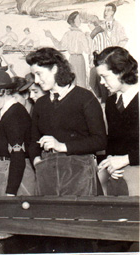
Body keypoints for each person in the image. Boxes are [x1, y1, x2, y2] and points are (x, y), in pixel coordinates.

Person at [26, 47, 107, 195]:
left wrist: (62, 146)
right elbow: (33, 141)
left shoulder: (85, 98)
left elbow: (100, 140)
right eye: (34, 75)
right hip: (47, 173)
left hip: (80, 173)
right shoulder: (40, 104)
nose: (36, 81)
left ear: (55, 69)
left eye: (39, 74)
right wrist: (37, 161)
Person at [0, 71, 35, 197]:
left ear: (2, 91)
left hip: (16, 177)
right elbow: (1, 153)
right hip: (4, 171)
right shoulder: (5, 113)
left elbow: (18, 157)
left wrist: (11, 193)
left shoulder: (15, 115)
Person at [94, 47, 139, 196]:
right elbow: (114, 143)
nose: (101, 82)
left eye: (104, 76)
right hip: (119, 180)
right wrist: (111, 164)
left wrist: (126, 159)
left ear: (121, 71)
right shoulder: (112, 102)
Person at [45, 11, 90, 89]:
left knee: (72, 82)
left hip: (71, 59)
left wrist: (51, 36)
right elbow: (87, 50)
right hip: (79, 59)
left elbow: (60, 46)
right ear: (73, 21)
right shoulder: (81, 34)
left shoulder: (67, 34)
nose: (80, 21)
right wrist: (88, 38)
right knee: (81, 82)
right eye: (79, 19)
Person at [87, 15, 111, 104]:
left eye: (89, 25)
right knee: (98, 83)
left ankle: (102, 100)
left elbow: (96, 51)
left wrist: (92, 63)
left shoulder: (97, 36)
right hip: (101, 63)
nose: (88, 27)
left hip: (99, 63)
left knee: (95, 83)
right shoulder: (100, 34)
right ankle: (102, 100)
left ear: (93, 24)